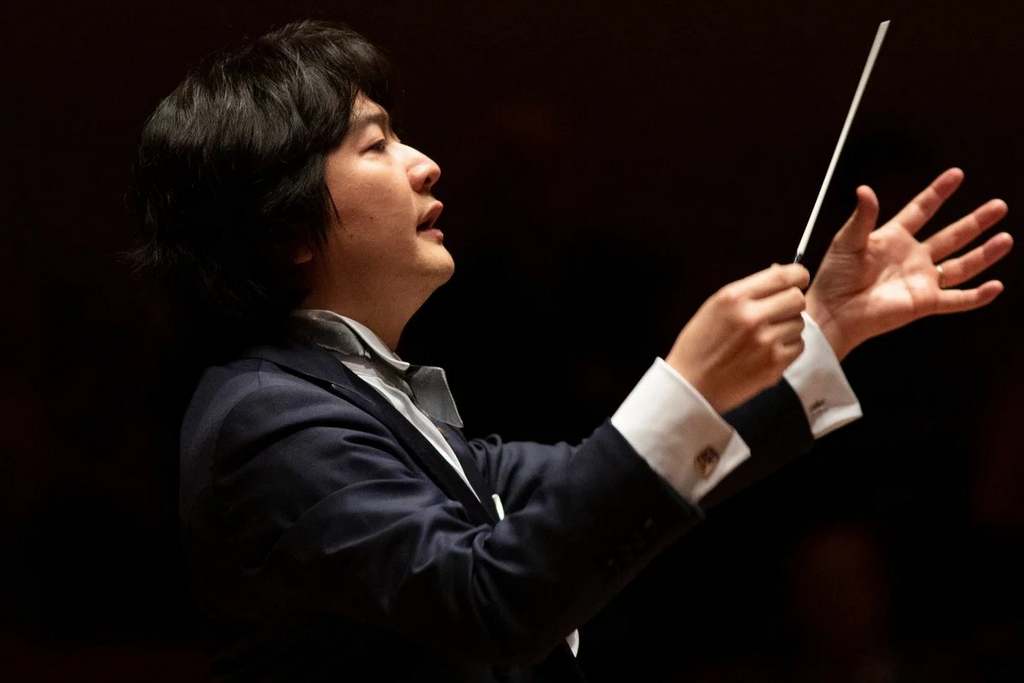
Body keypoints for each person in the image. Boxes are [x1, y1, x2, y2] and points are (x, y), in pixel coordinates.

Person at [131, 19, 1012, 683]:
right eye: (377, 144)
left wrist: (824, 329)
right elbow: (487, 603)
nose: (426, 163)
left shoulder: (350, 393)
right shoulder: (268, 416)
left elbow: (597, 482)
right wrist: (684, 378)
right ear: (287, 228)